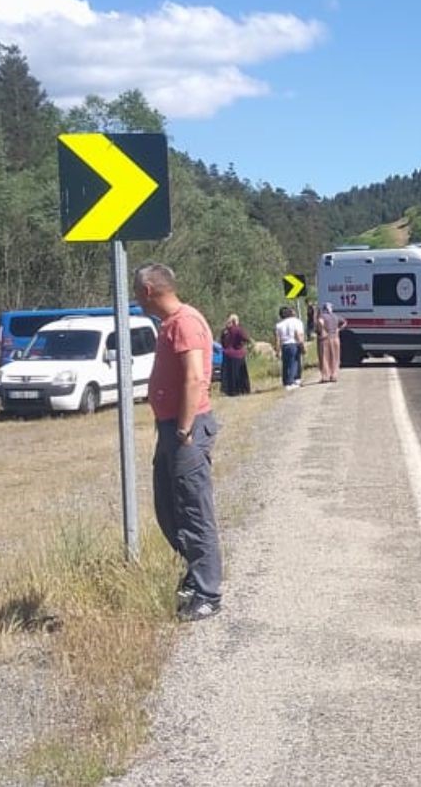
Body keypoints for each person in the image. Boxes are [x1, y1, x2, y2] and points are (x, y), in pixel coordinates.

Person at [133, 264, 222, 622]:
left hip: (185, 430)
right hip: (171, 428)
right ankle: (194, 574)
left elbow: (194, 377)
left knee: (193, 512)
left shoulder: (184, 322)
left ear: (150, 290)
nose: (136, 297)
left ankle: (208, 592)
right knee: (169, 508)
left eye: (138, 291)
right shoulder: (171, 324)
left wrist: (184, 429)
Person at [219, 314, 251, 397]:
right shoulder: (238, 329)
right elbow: (246, 338)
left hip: (227, 354)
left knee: (229, 374)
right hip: (238, 354)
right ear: (235, 321)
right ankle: (241, 390)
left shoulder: (225, 331)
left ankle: (230, 391)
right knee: (239, 374)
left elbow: (222, 342)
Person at [274, 305, 305, 390]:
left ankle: (286, 381)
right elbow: (298, 334)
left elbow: (277, 339)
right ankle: (292, 381)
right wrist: (302, 345)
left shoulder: (279, 325)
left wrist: (277, 350)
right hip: (294, 343)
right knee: (294, 363)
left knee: (286, 364)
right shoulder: (296, 322)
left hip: (284, 345)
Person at [317, 302, 346, 383]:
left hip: (325, 339)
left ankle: (325, 376)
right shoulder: (335, 316)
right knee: (335, 357)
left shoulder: (322, 316)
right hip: (335, 338)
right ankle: (334, 375)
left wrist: (322, 330)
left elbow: (320, 322)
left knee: (324, 357)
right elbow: (344, 322)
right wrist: (338, 329)